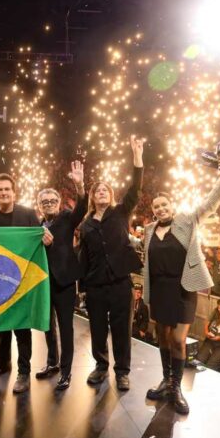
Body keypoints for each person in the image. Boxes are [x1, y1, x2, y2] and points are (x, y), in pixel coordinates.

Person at [144, 153, 220, 414]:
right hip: (159, 289)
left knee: (179, 340)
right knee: (163, 337)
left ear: (172, 205)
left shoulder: (186, 220)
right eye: (156, 206)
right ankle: (165, 380)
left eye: (164, 205)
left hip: (183, 289)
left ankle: (176, 387)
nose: (160, 209)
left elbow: (209, 205)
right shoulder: (148, 229)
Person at [78, 136, 144, 392]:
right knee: (96, 328)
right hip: (95, 285)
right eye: (97, 191)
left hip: (120, 283)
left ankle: (122, 371)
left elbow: (136, 190)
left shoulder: (120, 213)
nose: (101, 192)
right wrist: (82, 286)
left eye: (105, 189)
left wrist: (137, 158)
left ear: (111, 195)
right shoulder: (85, 224)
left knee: (121, 329)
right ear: (92, 198)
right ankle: (101, 366)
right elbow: (84, 256)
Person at [0, 172, 44, 394]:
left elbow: (38, 243)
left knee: (21, 327)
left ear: (14, 192)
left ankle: (24, 372)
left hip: (22, 281)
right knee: (2, 325)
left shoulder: (28, 214)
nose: (3, 193)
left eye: (7, 189)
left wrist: (45, 237)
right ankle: (3, 361)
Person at [35, 160, 87, 390]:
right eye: (44, 201)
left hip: (65, 282)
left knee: (66, 328)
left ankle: (66, 372)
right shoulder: (36, 226)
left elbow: (82, 209)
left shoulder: (67, 217)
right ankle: (52, 363)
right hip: (43, 283)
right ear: (39, 205)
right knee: (47, 326)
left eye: (52, 200)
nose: (49, 204)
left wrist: (80, 186)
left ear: (58, 202)